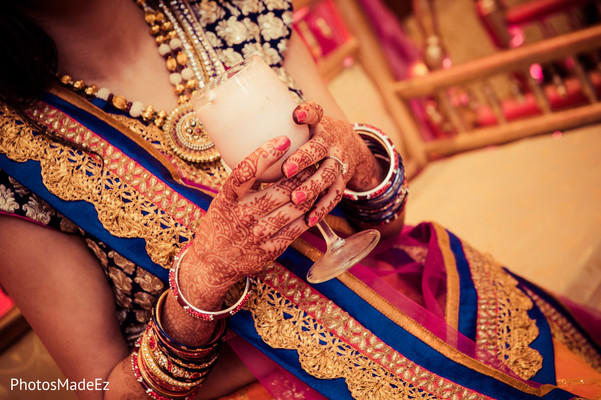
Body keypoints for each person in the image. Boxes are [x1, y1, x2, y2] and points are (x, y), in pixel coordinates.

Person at [0, 0, 599, 399]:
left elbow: (385, 229)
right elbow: (98, 391)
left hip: (405, 292)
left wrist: (360, 160)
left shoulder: (235, 9)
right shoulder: (13, 148)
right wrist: (203, 280)